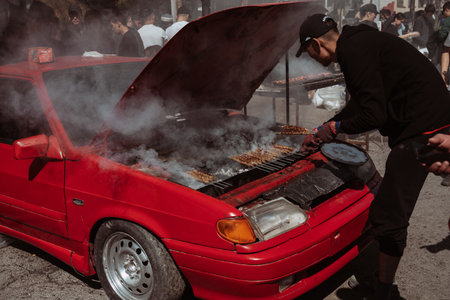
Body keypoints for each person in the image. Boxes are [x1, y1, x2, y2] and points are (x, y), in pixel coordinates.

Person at [295, 14, 450, 299]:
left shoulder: (353, 51)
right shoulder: (359, 43)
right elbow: (363, 106)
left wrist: (334, 127)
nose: (311, 59)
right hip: (429, 121)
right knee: (392, 205)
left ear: (316, 44)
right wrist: (323, 129)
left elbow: (372, 114)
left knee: (388, 215)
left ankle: (383, 292)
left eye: (308, 53)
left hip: (424, 128)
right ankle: (377, 281)